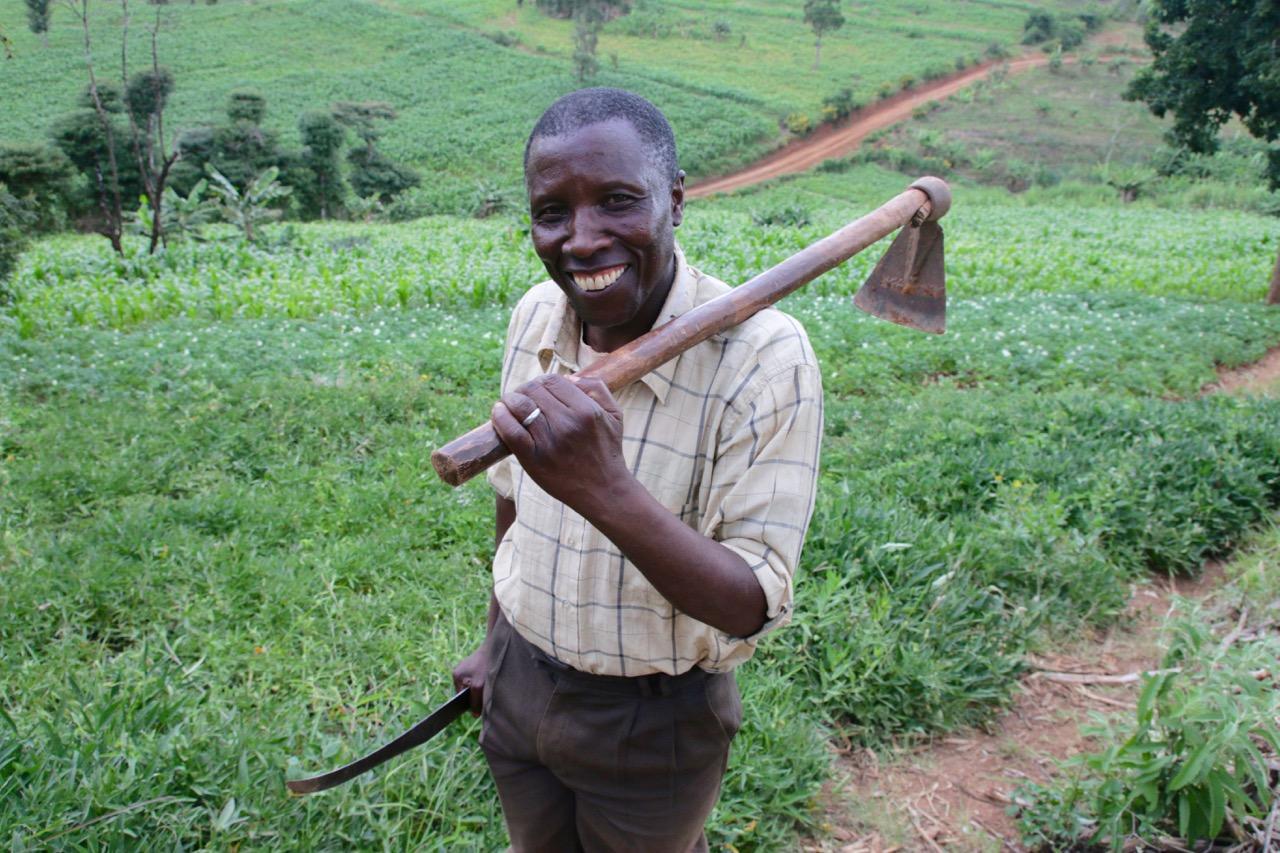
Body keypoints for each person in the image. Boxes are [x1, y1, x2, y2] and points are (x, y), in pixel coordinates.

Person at [452, 87, 823, 852]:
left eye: (618, 201)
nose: (582, 240)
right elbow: (512, 500)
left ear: (676, 201)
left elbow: (748, 602)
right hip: (520, 682)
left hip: (654, 721)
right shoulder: (534, 316)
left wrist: (604, 486)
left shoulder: (763, 357)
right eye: (552, 212)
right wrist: (497, 643)